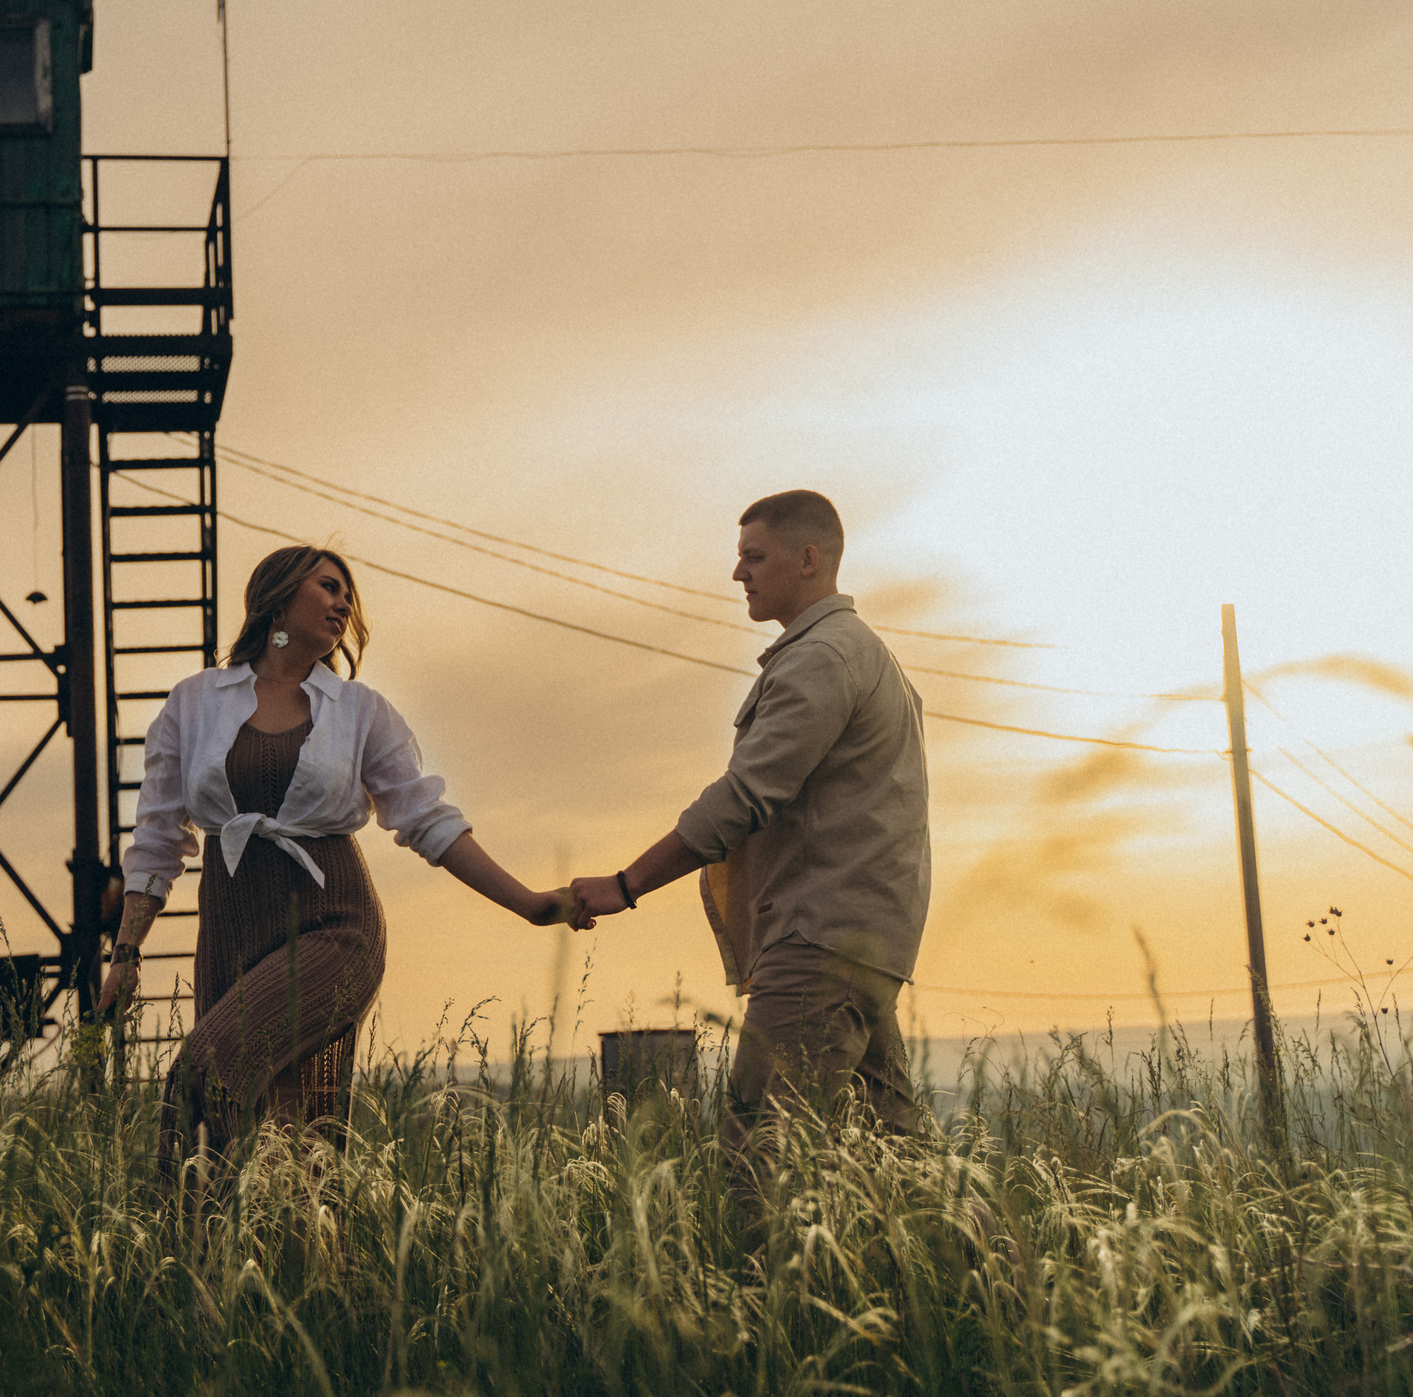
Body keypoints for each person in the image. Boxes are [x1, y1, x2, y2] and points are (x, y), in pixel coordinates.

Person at [96, 543, 583, 1177]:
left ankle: (212, 1248)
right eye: (328, 587)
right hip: (232, 930)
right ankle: (254, 1269)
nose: (344, 602)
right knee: (284, 1137)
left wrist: (532, 903)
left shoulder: (359, 711)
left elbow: (426, 819)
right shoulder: (193, 703)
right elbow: (159, 838)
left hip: (335, 926)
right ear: (277, 597)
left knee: (205, 1073)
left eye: (348, 594)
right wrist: (127, 955)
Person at [570, 490, 931, 1179]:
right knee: (895, 1163)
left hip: (819, 941)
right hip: (861, 940)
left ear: (808, 559)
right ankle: (990, 1283)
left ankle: (763, 1290)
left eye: (753, 556)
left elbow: (742, 798)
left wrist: (626, 883)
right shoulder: (857, 654)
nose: (739, 573)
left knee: (759, 1159)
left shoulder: (825, 658)